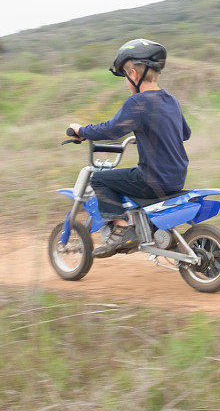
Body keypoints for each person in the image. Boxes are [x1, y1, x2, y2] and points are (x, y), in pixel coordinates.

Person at [68, 39, 190, 257]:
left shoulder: (138, 103)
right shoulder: (171, 100)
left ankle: (121, 228)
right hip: (177, 178)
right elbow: (185, 133)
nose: (126, 81)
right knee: (127, 179)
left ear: (134, 75)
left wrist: (81, 130)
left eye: (125, 76)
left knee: (99, 179)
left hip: (152, 180)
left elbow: (111, 130)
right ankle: (148, 229)